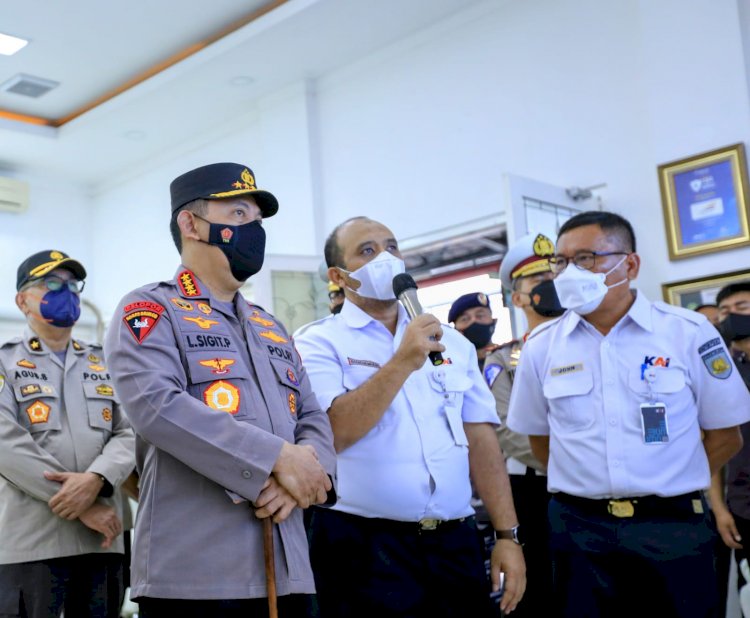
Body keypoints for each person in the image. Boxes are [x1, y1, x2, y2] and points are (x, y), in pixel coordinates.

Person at [104, 162, 336, 618]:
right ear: (190, 224)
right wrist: (276, 459)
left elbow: (311, 416)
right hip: (197, 576)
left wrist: (301, 480)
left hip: (291, 566)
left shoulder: (270, 326)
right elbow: (157, 408)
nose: (254, 230)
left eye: (258, 220)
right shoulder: (151, 309)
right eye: (238, 215)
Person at [507, 210, 750, 617]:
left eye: (586, 258)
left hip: (672, 527)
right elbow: (539, 439)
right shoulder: (541, 346)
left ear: (630, 265)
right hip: (579, 531)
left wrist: (667, 473)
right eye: (561, 262)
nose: (569, 273)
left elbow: (727, 436)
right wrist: (590, 481)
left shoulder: (687, 333)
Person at [294, 216, 526, 617]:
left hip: (455, 542)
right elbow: (334, 433)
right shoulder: (318, 342)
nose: (386, 257)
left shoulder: (451, 342)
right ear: (340, 275)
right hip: (364, 547)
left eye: (392, 246)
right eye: (367, 251)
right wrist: (402, 361)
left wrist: (508, 535)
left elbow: (481, 438)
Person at [0, 249, 135, 618]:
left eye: (73, 284)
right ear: (22, 300)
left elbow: (130, 433)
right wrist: (82, 504)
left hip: (103, 542)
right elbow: (6, 444)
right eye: (52, 283)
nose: (67, 292)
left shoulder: (106, 362)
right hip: (33, 544)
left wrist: (98, 479)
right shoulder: (4, 361)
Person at [455, 233, 561, 618]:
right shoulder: (507, 359)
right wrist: (576, 466)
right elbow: (505, 429)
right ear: (519, 298)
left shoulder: (592, 346)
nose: (552, 287)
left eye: (555, 276)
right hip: (533, 486)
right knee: (539, 589)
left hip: (589, 491)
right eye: (539, 281)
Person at [708, 282, 750, 593]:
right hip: (742, 506)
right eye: (725, 312)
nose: (731, 317)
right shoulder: (723, 373)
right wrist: (719, 508)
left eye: (742, 308)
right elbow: (714, 445)